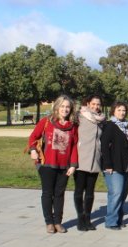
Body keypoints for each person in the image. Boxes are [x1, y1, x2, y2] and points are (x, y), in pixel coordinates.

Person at [28, 95, 78, 234]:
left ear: (71, 109)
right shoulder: (46, 122)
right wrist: (33, 150)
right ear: (57, 107)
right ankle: (49, 222)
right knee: (47, 193)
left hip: (64, 166)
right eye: (62, 106)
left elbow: (74, 146)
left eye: (67, 106)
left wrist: (73, 164)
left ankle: (58, 222)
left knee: (59, 194)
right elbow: (33, 137)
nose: (65, 109)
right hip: (47, 165)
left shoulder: (73, 126)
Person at [101, 101, 128, 230]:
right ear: (113, 111)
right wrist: (107, 164)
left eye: (124, 110)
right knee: (115, 193)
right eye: (119, 110)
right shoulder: (110, 126)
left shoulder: (125, 126)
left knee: (122, 194)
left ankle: (119, 219)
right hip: (114, 166)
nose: (122, 112)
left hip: (125, 165)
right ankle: (111, 221)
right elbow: (104, 146)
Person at [74, 95, 105, 231]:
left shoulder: (102, 120)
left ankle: (88, 218)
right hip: (81, 158)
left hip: (95, 158)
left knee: (90, 191)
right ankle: (80, 218)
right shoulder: (79, 116)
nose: (95, 106)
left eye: (98, 104)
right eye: (93, 104)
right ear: (88, 103)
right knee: (80, 189)